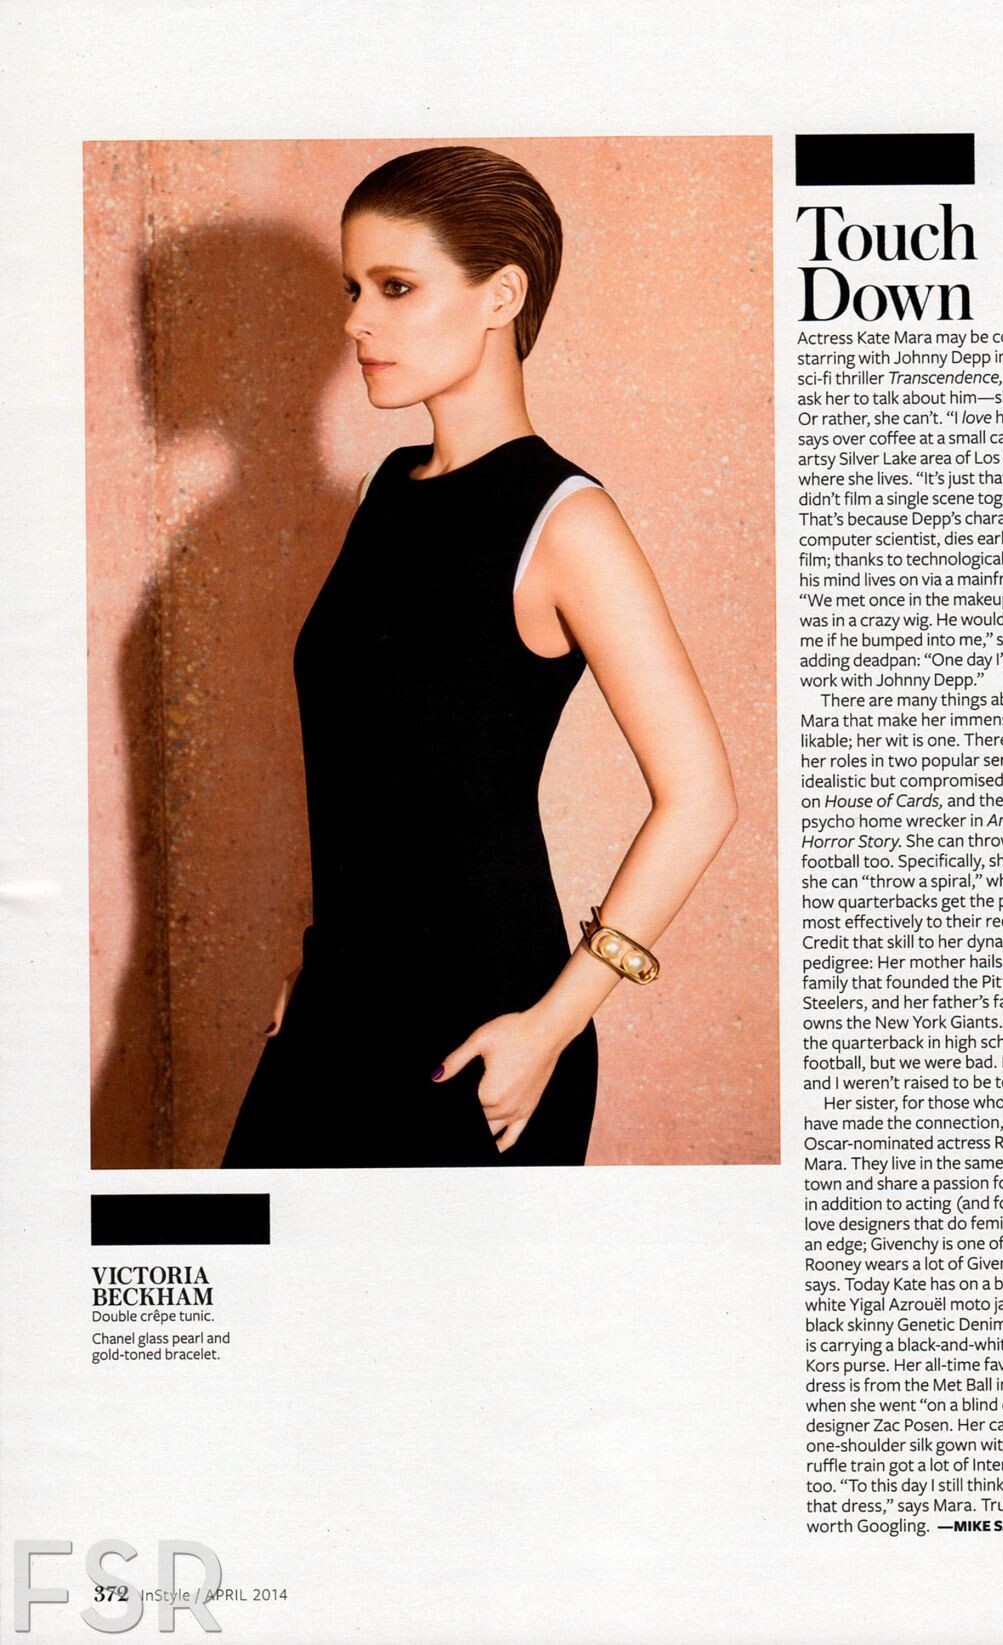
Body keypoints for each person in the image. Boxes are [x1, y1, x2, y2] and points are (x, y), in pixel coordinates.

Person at [221, 145, 737, 1168]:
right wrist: (321, 957)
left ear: (502, 295)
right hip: (337, 1008)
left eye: (396, 288)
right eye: (354, 289)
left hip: (484, 1033)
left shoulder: (567, 522)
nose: (355, 322)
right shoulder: (384, 491)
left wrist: (553, 1024)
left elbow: (702, 798)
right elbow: (377, 766)